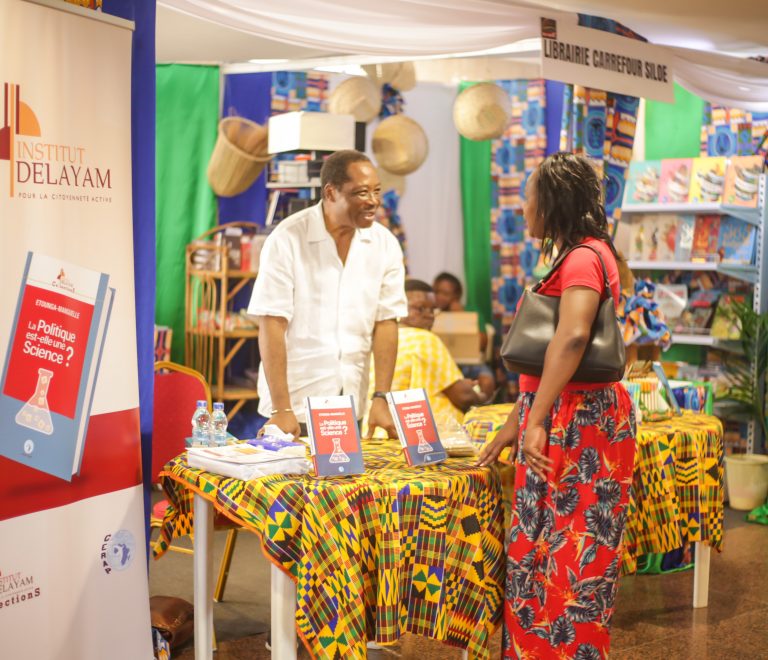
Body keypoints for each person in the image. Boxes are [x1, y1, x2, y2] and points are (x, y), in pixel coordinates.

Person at [476, 152, 636, 659]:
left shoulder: (584, 258)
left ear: (550, 203)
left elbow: (571, 338)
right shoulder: (585, 254)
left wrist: (537, 418)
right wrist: (518, 417)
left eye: (528, 198)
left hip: (576, 420)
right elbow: (545, 360)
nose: (523, 209)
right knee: (548, 546)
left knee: (567, 554)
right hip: (567, 412)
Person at [248, 149, 407, 439]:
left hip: (352, 402)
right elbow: (272, 323)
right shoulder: (287, 239)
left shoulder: (384, 244)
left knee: (350, 472)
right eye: (361, 192)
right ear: (331, 192)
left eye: (376, 191)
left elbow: (386, 321)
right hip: (295, 405)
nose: (373, 201)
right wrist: (282, 408)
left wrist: (381, 397)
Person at [372, 278, 486, 427]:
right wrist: (482, 397)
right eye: (420, 308)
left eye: (433, 310)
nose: (429, 315)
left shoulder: (379, 340)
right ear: (399, 308)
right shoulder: (424, 338)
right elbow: (463, 396)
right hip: (412, 432)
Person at [432, 271, 496, 400]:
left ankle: (480, 405)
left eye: (445, 294)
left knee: (487, 382)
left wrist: (460, 317)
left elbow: (482, 345)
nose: (439, 297)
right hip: (442, 364)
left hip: (469, 364)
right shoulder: (431, 314)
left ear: (457, 295)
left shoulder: (471, 312)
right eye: (436, 292)